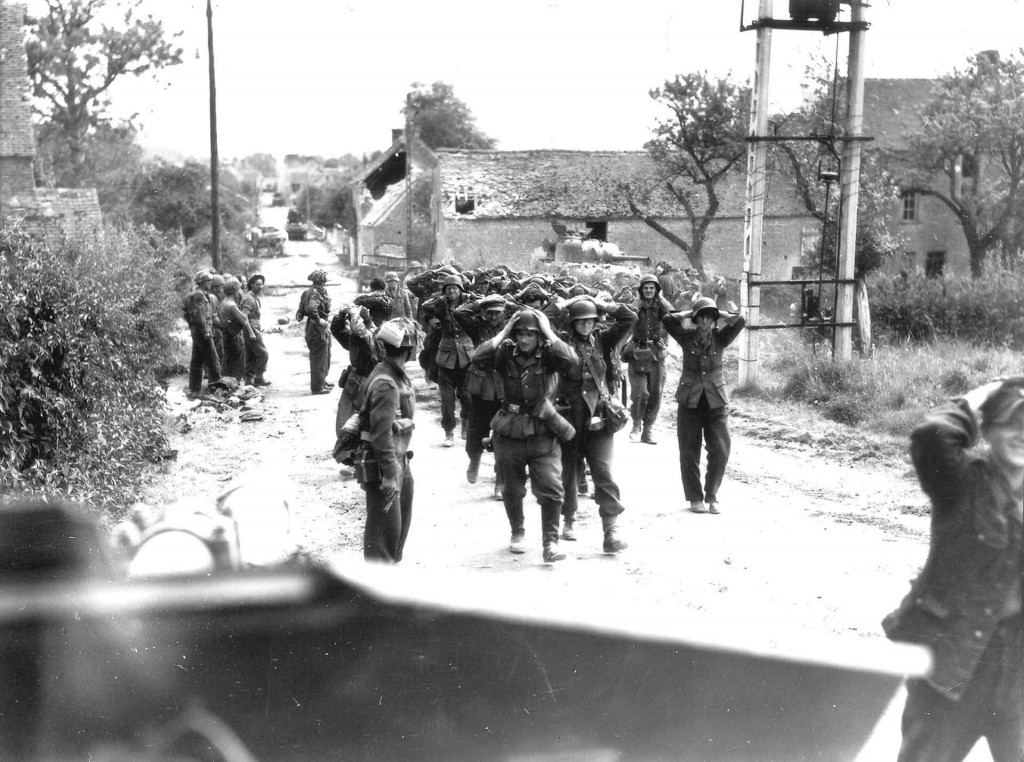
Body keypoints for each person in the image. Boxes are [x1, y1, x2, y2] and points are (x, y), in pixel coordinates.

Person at [882, 378, 1023, 762]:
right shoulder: (961, 484)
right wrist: (984, 394)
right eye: (1014, 422)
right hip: (950, 672)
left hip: (1015, 681)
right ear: (989, 429)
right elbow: (931, 434)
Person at [471, 309, 578, 563]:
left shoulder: (550, 355)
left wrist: (548, 331)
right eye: (520, 333)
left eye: (530, 334)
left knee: (552, 489)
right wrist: (505, 331)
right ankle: (517, 532)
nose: (524, 339)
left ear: (538, 336)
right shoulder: (506, 353)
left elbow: (572, 360)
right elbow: (477, 357)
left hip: (543, 430)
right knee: (511, 488)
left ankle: (550, 543)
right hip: (509, 430)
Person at [557, 296, 637, 552]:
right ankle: (569, 519)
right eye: (580, 321)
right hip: (570, 416)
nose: (586, 326)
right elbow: (542, 319)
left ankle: (610, 531)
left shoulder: (602, 340)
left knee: (603, 471)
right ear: (572, 323)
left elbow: (630, 318)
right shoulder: (560, 343)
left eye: (590, 321)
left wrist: (600, 304)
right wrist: (567, 302)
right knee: (569, 470)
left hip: (599, 418)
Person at [662, 296, 745, 515]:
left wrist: (722, 313)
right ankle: (695, 498)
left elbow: (741, 320)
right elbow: (667, 319)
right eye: (701, 318)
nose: (705, 323)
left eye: (709, 318)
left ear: (714, 321)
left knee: (720, 450)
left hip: (715, 400)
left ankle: (712, 495)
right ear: (696, 320)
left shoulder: (721, 339)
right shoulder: (685, 337)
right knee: (689, 451)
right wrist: (689, 313)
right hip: (690, 400)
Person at [358, 318, 420, 563]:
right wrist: (390, 475)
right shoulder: (387, 383)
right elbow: (381, 434)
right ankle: (375, 595)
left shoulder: (391, 373)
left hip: (398, 459)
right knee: (383, 536)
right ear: (409, 348)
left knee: (395, 530)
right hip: (386, 463)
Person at [454, 293, 510, 495]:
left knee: (504, 435)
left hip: (504, 386)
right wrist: (481, 302)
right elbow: (460, 312)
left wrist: (508, 303)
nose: (494, 317)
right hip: (481, 385)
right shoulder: (477, 326)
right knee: (477, 431)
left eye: (498, 313)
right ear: (485, 313)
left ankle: (500, 481)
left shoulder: (510, 327)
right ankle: (474, 460)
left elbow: (528, 313)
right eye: (490, 312)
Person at [422, 274, 474, 446]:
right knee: (447, 399)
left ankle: (465, 424)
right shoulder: (439, 305)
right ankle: (449, 433)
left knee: (467, 396)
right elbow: (425, 305)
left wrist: (470, 298)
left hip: (466, 356)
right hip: (446, 356)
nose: (452, 291)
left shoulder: (469, 304)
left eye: (455, 288)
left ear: (461, 290)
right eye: (448, 288)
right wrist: (442, 299)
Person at [625, 273, 673, 444]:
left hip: (657, 352)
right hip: (638, 351)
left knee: (655, 394)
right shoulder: (635, 305)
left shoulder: (662, 305)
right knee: (640, 392)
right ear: (641, 289)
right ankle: (636, 424)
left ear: (656, 289)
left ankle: (648, 429)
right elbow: (627, 319)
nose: (648, 291)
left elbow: (673, 321)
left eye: (652, 288)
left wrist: (665, 344)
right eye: (645, 288)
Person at [330, 304, 378, 468]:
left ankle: (362, 461)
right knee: (345, 422)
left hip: (367, 382)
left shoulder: (372, 335)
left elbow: (359, 332)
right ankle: (351, 460)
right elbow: (336, 330)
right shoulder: (355, 337)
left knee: (364, 424)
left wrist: (354, 313)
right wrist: (342, 313)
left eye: (354, 320)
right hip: (354, 381)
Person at [185, 271, 221, 396]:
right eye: (208, 281)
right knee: (213, 358)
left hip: (198, 330)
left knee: (197, 359)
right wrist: (206, 330)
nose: (210, 283)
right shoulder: (199, 295)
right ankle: (216, 388)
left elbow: (188, 314)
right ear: (201, 282)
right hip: (202, 331)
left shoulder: (196, 294)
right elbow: (200, 315)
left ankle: (194, 389)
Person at [300, 269, 333, 394]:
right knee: (319, 357)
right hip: (316, 329)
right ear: (321, 281)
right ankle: (318, 387)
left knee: (325, 355)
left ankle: (322, 381)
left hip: (316, 328)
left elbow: (301, 309)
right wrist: (319, 320)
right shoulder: (315, 293)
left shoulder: (311, 291)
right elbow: (311, 308)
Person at [218, 278, 256, 382]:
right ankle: (234, 386)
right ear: (235, 290)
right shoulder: (232, 305)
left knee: (228, 363)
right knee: (238, 365)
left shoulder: (224, 302)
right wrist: (251, 333)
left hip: (226, 336)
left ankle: (227, 385)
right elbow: (243, 320)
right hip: (234, 338)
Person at [240, 274, 271, 386]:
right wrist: (251, 332)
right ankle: (259, 377)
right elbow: (244, 316)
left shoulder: (254, 297)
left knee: (251, 355)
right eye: (257, 284)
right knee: (263, 354)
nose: (260, 287)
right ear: (251, 284)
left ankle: (249, 380)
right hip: (251, 330)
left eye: (262, 284)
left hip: (253, 328)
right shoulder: (249, 298)